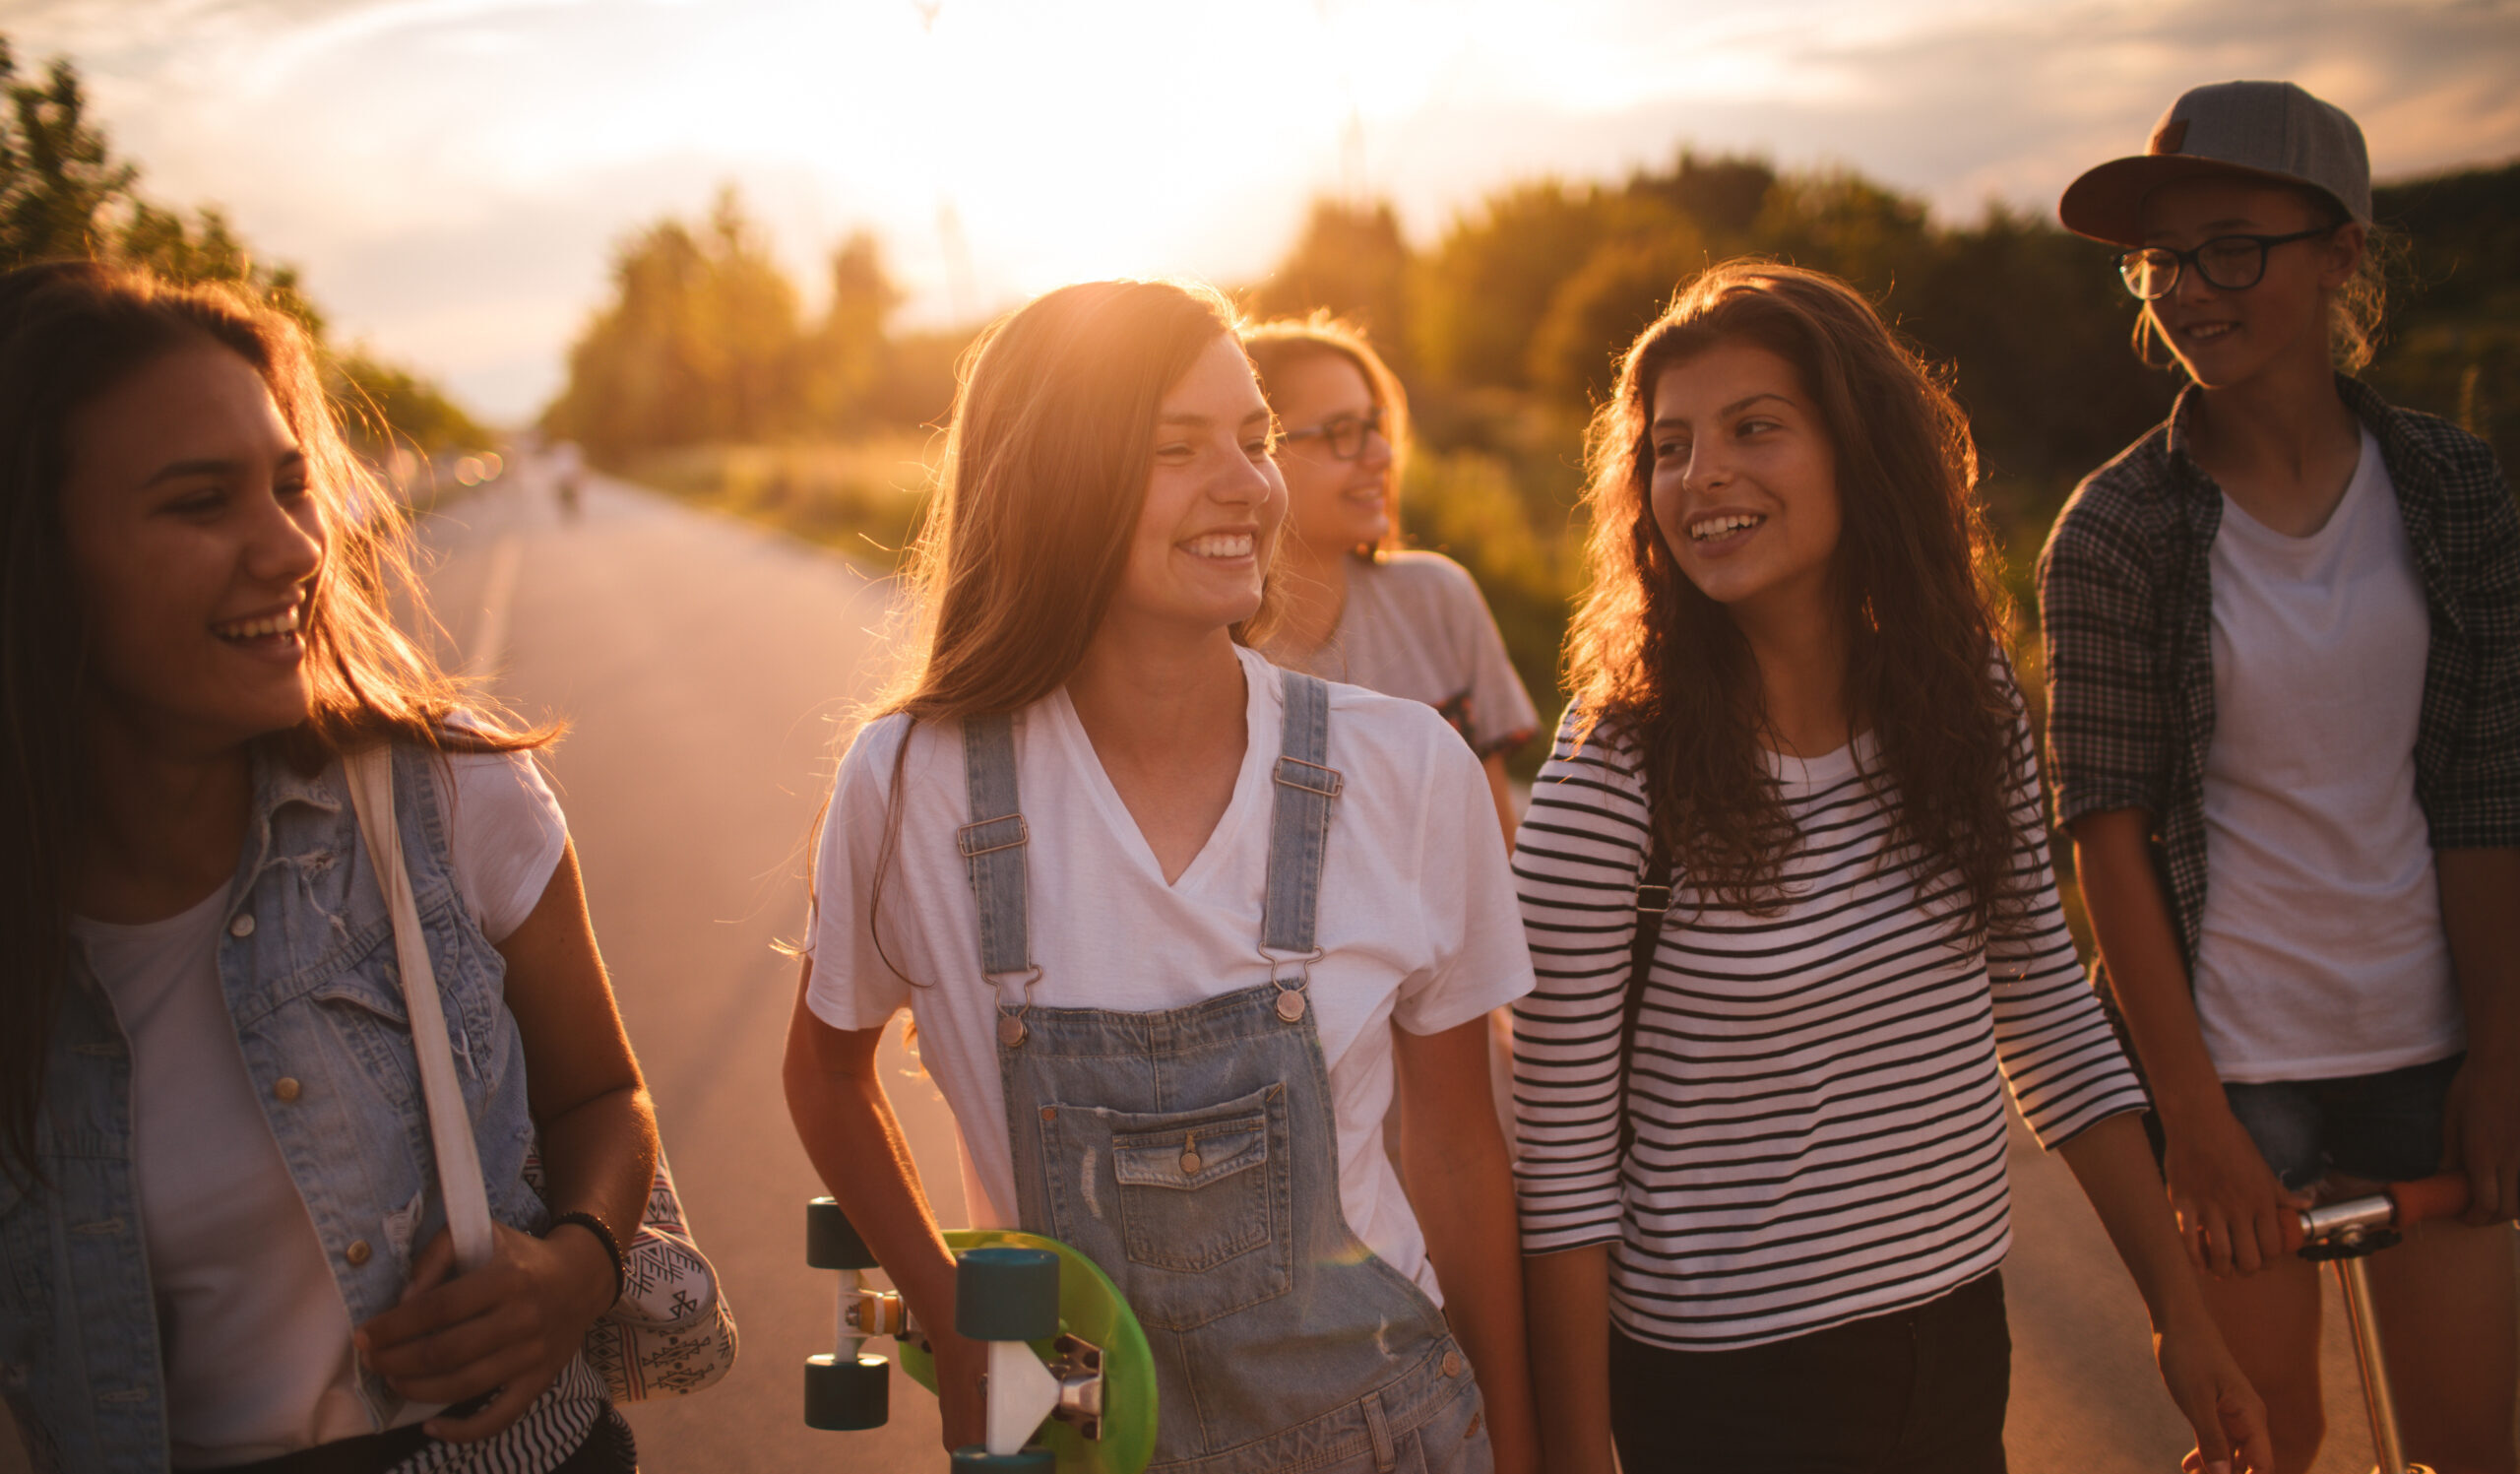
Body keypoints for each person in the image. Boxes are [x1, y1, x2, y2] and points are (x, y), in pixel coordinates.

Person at [1512, 261, 2273, 1474]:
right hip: (1726, 1393)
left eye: (1754, 427)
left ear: (1860, 452)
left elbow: (2047, 1018)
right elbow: (1555, 1171)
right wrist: (1565, 1461)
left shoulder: (1960, 695)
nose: (1700, 474)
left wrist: (2178, 1314)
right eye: (1668, 446)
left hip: (1958, 1335)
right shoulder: (1615, 778)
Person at [783, 279, 1539, 1473]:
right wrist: (948, 1314)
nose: (1246, 483)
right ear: (1055, 479)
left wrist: (1526, 1446)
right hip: (1078, 1446)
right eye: (1176, 449)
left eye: (1255, 440)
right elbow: (827, 1073)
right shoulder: (911, 784)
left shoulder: (1408, 772)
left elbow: (1456, 1149)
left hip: (1396, 1435)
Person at [0, 262, 657, 1473]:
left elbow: (602, 1099)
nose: (294, 547)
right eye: (202, 504)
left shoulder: (454, 799)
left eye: (293, 484)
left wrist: (575, 1271)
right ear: (39, 560)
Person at [2044, 81, 2519, 1474]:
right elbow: (2108, 839)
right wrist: (2190, 1125)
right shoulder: (2117, 530)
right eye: (2163, 260)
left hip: (2431, 1054)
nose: (2189, 291)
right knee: (2268, 1450)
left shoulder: (2454, 489)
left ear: (2343, 251)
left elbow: (2490, 795)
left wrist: (2500, 1061)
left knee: (2470, 1446)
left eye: (2230, 246)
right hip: (2233, 1069)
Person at [1243, 317, 1539, 844]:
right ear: (1256, 453)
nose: (1382, 454)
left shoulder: (1438, 597)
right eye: (1342, 432)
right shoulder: (1209, 643)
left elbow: (1496, 843)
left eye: (1375, 424)